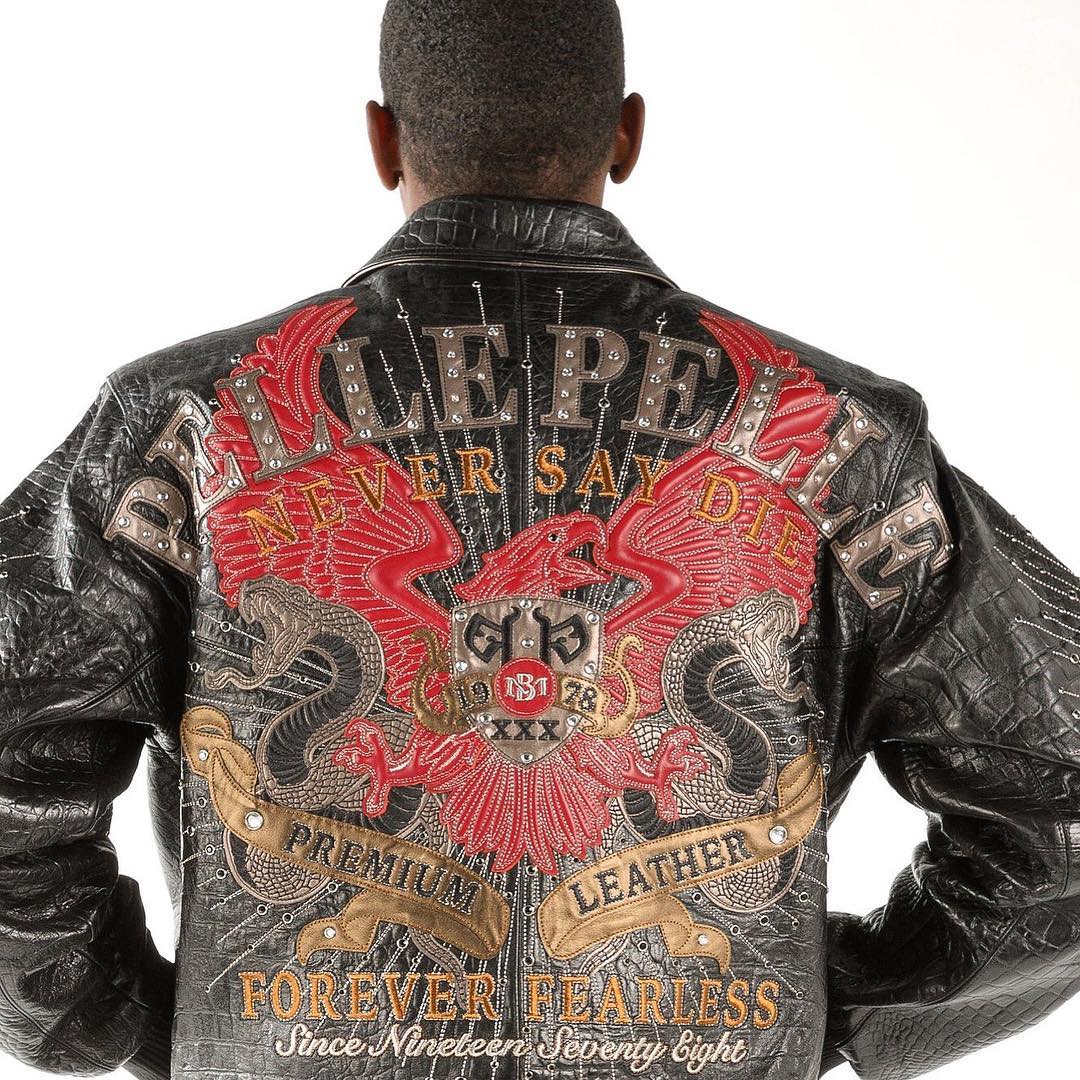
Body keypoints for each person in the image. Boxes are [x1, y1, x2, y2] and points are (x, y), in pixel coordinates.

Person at [0, 3, 1077, 1079]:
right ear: (628, 134)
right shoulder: (836, 435)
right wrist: (815, 1015)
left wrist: (137, 1020)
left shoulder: (193, 422)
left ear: (382, 139)